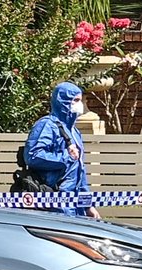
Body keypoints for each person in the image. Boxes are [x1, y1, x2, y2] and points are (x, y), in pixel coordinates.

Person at [24, 82, 100, 219]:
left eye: (80, 100)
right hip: (54, 202)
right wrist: (66, 158)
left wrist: (88, 205)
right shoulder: (46, 125)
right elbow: (33, 155)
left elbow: (80, 171)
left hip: (74, 205)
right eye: (75, 100)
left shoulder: (74, 131)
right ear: (63, 101)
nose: (80, 104)